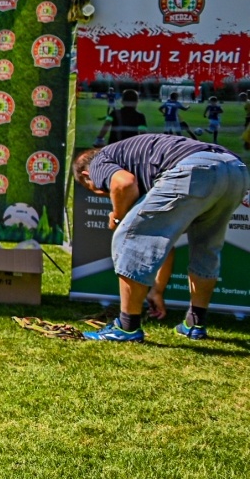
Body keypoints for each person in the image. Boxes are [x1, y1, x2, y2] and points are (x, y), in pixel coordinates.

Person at [73, 133, 248, 342]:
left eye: (93, 189)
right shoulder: (143, 166)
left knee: (128, 236)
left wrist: (118, 217)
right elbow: (161, 240)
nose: (101, 192)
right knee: (207, 247)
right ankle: (194, 323)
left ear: (86, 175)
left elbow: (124, 184)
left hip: (196, 169)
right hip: (235, 170)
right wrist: (157, 290)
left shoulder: (100, 161)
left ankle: (126, 327)